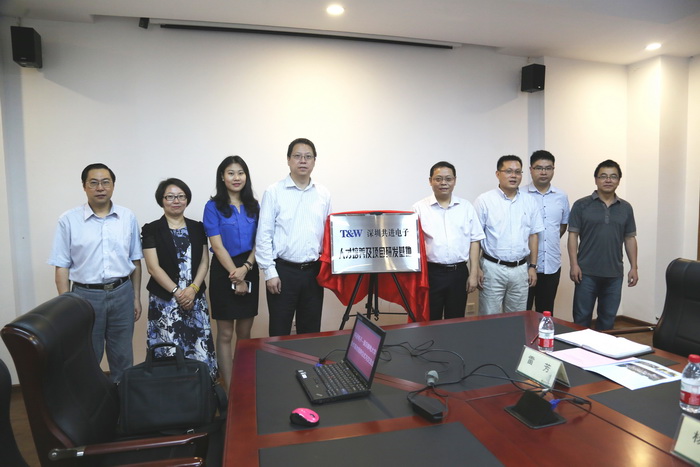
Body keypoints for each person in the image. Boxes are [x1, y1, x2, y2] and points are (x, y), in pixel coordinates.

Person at [48, 163, 142, 383]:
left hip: (122, 293)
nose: (100, 188)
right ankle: (90, 403)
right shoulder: (68, 220)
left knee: (123, 356)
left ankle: (121, 400)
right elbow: (61, 266)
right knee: (87, 356)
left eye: (105, 182)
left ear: (113, 185)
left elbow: (135, 261)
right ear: (84, 186)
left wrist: (136, 297)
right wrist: (66, 306)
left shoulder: (127, 217)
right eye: (94, 183)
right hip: (85, 297)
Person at [141, 178, 217, 379]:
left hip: (195, 297)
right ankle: (169, 392)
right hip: (165, 301)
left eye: (181, 196)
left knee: (198, 347)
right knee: (168, 349)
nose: (176, 201)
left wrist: (193, 289)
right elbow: (153, 267)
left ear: (187, 199)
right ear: (162, 200)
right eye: (170, 197)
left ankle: (201, 390)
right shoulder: (151, 229)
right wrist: (177, 292)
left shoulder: (197, 227)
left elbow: (204, 262)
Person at [255, 138, 332, 337]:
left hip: (313, 273)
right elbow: (263, 235)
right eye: (297, 156)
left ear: (314, 161)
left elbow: (328, 235)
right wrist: (269, 272)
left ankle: (308, 360)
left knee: (310, 333)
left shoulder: (323, 194)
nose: (303, 161)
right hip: (283, 272)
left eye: (308, 156)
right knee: (279, 332)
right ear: (288, 160)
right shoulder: (274, 192)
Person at [203, 156, 259, 388]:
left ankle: (244, 386)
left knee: (244, 332)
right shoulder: (213, 207)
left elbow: (260, 241)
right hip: (223, 269)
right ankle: (228, 388)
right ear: (222, 177)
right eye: (231, 173)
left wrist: (246, 268)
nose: (236, 178)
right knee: (225, 333)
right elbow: (216, 246)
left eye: (240, 173)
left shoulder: (254, 206)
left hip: (250, 266)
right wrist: (236, 275)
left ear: (246, 176)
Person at [568, 159, 638, 330]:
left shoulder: (626, 208)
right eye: (603, 176)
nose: (608, 180)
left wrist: (634, 267)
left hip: (614, 274)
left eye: (613, 176)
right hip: (586, 273)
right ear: (596, 179)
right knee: (581, 319)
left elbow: (630, 238)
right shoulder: (581, 205)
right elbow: (573, 236)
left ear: (619, 180)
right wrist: (574, 265)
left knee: (607, 321)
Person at [413, 161, 485, 320]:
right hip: (431, 273)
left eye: (448, 179)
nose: (443, 183)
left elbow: (475, 241)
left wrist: (473, 273)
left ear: (455, 180)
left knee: (456, 320)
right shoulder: (419, 208)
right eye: (438, 179)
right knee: (430, 320)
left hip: (458, 273)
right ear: (430, 181)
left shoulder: (466, 207)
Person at [475, 155, 543, 315]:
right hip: (492, 268)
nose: (514, 176)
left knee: (517, 318)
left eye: (518, 172)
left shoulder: (530, 201)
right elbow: (476, 238)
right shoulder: (484, 200)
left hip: (520, 269)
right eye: (509, 171)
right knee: (489, 317)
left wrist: (533, 267)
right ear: (498, 174)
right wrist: (476, 268)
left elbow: (533, 235)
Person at [520, 150, 570, 314]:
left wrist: (546, 241)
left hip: (551, 264)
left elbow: (562, 226)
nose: (543, 172)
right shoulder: (520, 194)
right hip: (524, 265)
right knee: (523, 312)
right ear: (530, 169)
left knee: (546, 313)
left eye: (548, 168)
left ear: (553, 169)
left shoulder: (561, 196)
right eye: (539, 168)